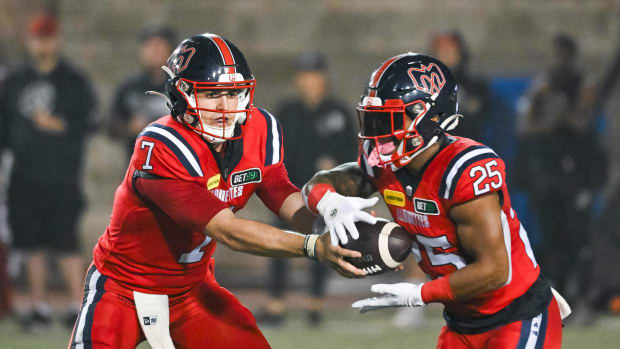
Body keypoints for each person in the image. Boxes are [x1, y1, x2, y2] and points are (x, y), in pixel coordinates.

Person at [68, 33, 364, 349]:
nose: (225, 106)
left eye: (233, 93)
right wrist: (315, 246)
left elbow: (279, 190)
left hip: (190, 291)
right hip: (123, 288)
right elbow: (229, 231)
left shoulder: (259, 128)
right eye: (212, 94)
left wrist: (328, 221)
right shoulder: (161, 146)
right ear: (181, 94)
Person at [303, 53, 569, 348]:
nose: (378, 134)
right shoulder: (383, 164)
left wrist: (420, 294)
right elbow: (320, 183)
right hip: (460, 320)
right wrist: (330, 204)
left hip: (515, 313)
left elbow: (494, 271)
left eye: (388, 119)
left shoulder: (463, 170)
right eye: (373, 119)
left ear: (428, 116)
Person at [0, 13, 98, 330]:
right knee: (30, 242)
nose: (42, 44)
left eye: (47, 37)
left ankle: (75, 304)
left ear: (56, 40)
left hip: (62, 175)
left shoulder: (73, 80)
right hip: (24, 176)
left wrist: (60, 125)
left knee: (66, 240)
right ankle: (39, 305)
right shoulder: (15, 81)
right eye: (37, 38)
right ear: (30, 41)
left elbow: (91, 121)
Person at [257, 52, 357, 326]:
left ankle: (315, 303)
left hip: (325, 194)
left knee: (323, 246)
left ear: (324, 78)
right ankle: (275, 304)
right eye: (305, 75)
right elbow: (272, 149)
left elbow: (352, 154)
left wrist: (335, 168)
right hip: (288, 193)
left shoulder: (337, 112)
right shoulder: (288, 112)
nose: (310, 81)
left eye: (314, 75)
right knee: (278, 244)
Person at [515, 34, 607, 303]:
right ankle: (552, 291)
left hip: (576, 174)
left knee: (576, 238)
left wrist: (562, 114)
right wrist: (547, 111)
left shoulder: (582, 85)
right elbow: (525, 126)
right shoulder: (541, 87)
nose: (559, 62)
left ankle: (576, 294)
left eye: (564, 55)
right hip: (546, 173)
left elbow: (582, 122)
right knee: (549, 235)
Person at [108, 24, 176, 159]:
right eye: (150, 46)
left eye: (160, 46)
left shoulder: (183, 86)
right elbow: (112, 126)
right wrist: (129, 127)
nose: (155, 51)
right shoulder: (130, 87)